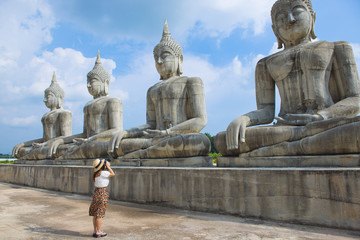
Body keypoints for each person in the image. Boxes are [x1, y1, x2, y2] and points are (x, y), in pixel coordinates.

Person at [214, 0, 360, 157]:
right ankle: (302, 145)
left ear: (312, 18)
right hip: (285, 128)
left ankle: (281, 149)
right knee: (223, 140)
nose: (290, 20)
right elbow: (266, 111)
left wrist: (322, 116)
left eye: (297, 12)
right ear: (274, 29)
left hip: (325, 123)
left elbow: (355, 99)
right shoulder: (265, 63)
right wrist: (244, 119)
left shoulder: (337, 47)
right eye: (282, 18)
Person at [108, 20, 210, 159]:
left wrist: (167, 133)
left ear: (179, 59)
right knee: (119, 144)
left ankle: (141, 154)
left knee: (200, 142)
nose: (159, 61)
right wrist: (126, 133)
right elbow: (151, 125)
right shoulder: (152, 90)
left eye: (165, 56)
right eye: (156, 58)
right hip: (155, 139)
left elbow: (200, 120)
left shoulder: (192, 82)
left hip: (178, 137)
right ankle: (146, 152)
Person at [50, 51, 123, 159]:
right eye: (87, 82)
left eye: (92, 81)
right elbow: (85, 134)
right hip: (88, 143)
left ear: (105, 83)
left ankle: (67, 156)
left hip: (102, 143)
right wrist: (60, 141)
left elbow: (116, 130)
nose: (88, 85)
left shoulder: (113, 101)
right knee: (61, 148)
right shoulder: (87, 105)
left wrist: (90, 139)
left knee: (87, 147)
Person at [12, 72, 72, 160]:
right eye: (45, 97)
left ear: (58, 97)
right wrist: (23, 144)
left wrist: (44, 144)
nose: (44, 100)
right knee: (21, 150)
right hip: (45, 146)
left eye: (48, 97)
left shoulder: (64, 113)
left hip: (56, 146)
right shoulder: (46, 116)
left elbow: (66, 137)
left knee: (58, 150)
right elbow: (44, 139)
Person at [89, 158, 115, 238]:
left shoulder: (96, 174)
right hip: (102, 193)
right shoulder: (103, 173)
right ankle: (99, 232)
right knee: (99, 214)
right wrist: (108, 166)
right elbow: (112, 174)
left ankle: (95, 231)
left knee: (95, 214)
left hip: (97, 193)